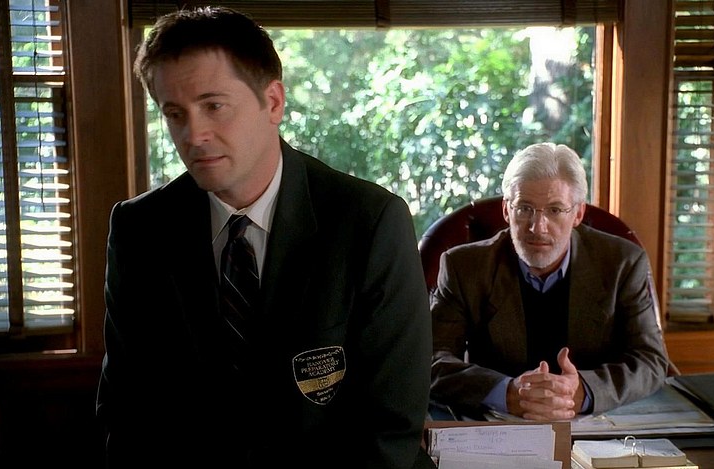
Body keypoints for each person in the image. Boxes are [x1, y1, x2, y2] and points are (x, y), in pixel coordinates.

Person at [95, 7, 434, 468]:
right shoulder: (141, 229)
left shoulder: (369, 221)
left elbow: (390, 429)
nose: (194, 135)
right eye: (175, 114)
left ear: (273, 102)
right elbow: (127, 414)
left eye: (214, 106)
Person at [429, 142, 670, 421]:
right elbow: (432, 359)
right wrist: (505, 393)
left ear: (578, 214)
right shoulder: (464, 267)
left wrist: (582, 392)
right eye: (524, 208)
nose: (537, 227)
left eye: (555, 210)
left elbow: (650, 361)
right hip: (497, 426)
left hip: (594, 429)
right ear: (506, 210)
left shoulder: (622, 263)